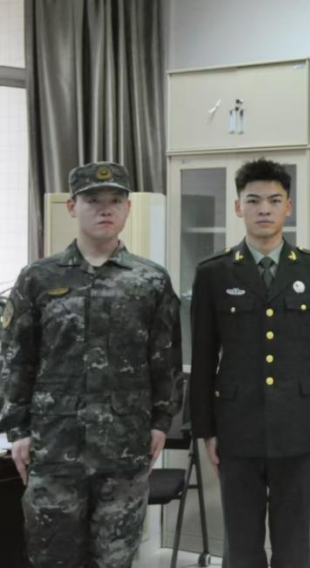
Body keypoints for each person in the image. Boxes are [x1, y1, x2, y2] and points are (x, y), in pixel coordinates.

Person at [0, 161, 182, 567]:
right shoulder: (38, 278)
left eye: (115, 200)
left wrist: (160, 422)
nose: (105, 209)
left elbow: (166, 358)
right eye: (93, 200)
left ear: (127, 208)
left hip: (124, 447)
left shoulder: (150, 280)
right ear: (72, 206)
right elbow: (16, 359)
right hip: (54, 446)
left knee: (115, 559)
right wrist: (18, 430)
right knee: (53, 557)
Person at [189, 158, 310, 568]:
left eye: (274, 200)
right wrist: (206, 429)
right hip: (236, 425)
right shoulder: (214, 273)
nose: (264, 209)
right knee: (242, 545)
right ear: (238, 207)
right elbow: (202, 358)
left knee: (293, 543)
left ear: (288, 207)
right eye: (253, 200)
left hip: (299, 422)